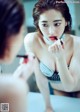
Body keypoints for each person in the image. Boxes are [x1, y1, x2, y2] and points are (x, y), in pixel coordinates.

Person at [21, 0, 80, 112]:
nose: (51, 31)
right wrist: (48, 106)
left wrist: (60, 57)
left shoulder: (77, 43)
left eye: (57, 24)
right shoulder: (31, 40)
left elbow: (70, 86)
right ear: (37, 23)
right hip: (57, 91)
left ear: (66, 21)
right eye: (44, 25)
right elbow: (41, 79)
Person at [0, 0, 35, 112]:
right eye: (22, 31)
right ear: (10, 33)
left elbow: (3, 108)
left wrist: (19, 78)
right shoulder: (12, 89)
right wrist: (15, 86)